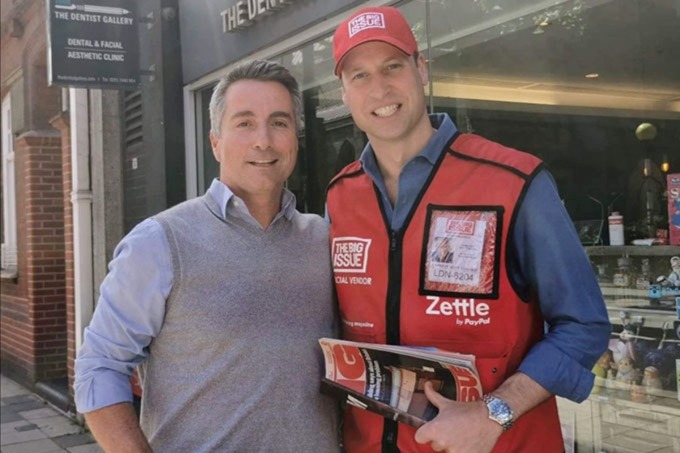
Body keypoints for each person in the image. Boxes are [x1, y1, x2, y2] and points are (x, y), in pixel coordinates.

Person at [325, 6, 610, 453]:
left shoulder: (513, 182)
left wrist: (494, 412)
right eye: (359, 76)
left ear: (421, 70)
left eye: (392, 66)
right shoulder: (340, 197)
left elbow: (583, 325)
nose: (379, 88)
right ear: (344, 94)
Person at [74, 60, 340, 452]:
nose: (263, 140)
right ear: (215, 142)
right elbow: (99, 367)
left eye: (279, 122)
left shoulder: (323, 239)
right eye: (244, 123)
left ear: (295, 140)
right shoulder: (160, 242)